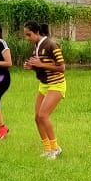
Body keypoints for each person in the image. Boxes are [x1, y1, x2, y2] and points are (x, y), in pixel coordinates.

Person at [22, 21, 66, 158]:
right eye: (26, 35)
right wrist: (32, 66)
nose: (27, 38)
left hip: (56, 84)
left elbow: (62, 67)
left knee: (43, 115)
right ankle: (47, 149)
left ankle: (55, 149)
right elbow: (41, 65)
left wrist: (40, 64)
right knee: (37, 118)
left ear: (37, 32)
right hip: (44, 85)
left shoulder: (51, 45)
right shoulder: (36, 46)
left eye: (29, 35)